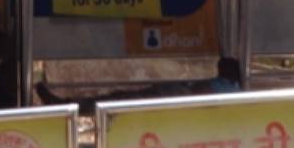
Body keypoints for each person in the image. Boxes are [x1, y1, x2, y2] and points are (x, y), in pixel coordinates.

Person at [36, 58, 242, 116]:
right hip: (173, 94)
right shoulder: (236, 89)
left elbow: (200, 94)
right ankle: (68, 104)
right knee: (118, 98)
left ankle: (67, 105)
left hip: (173, 97)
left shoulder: (225, 88)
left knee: (117, 101)